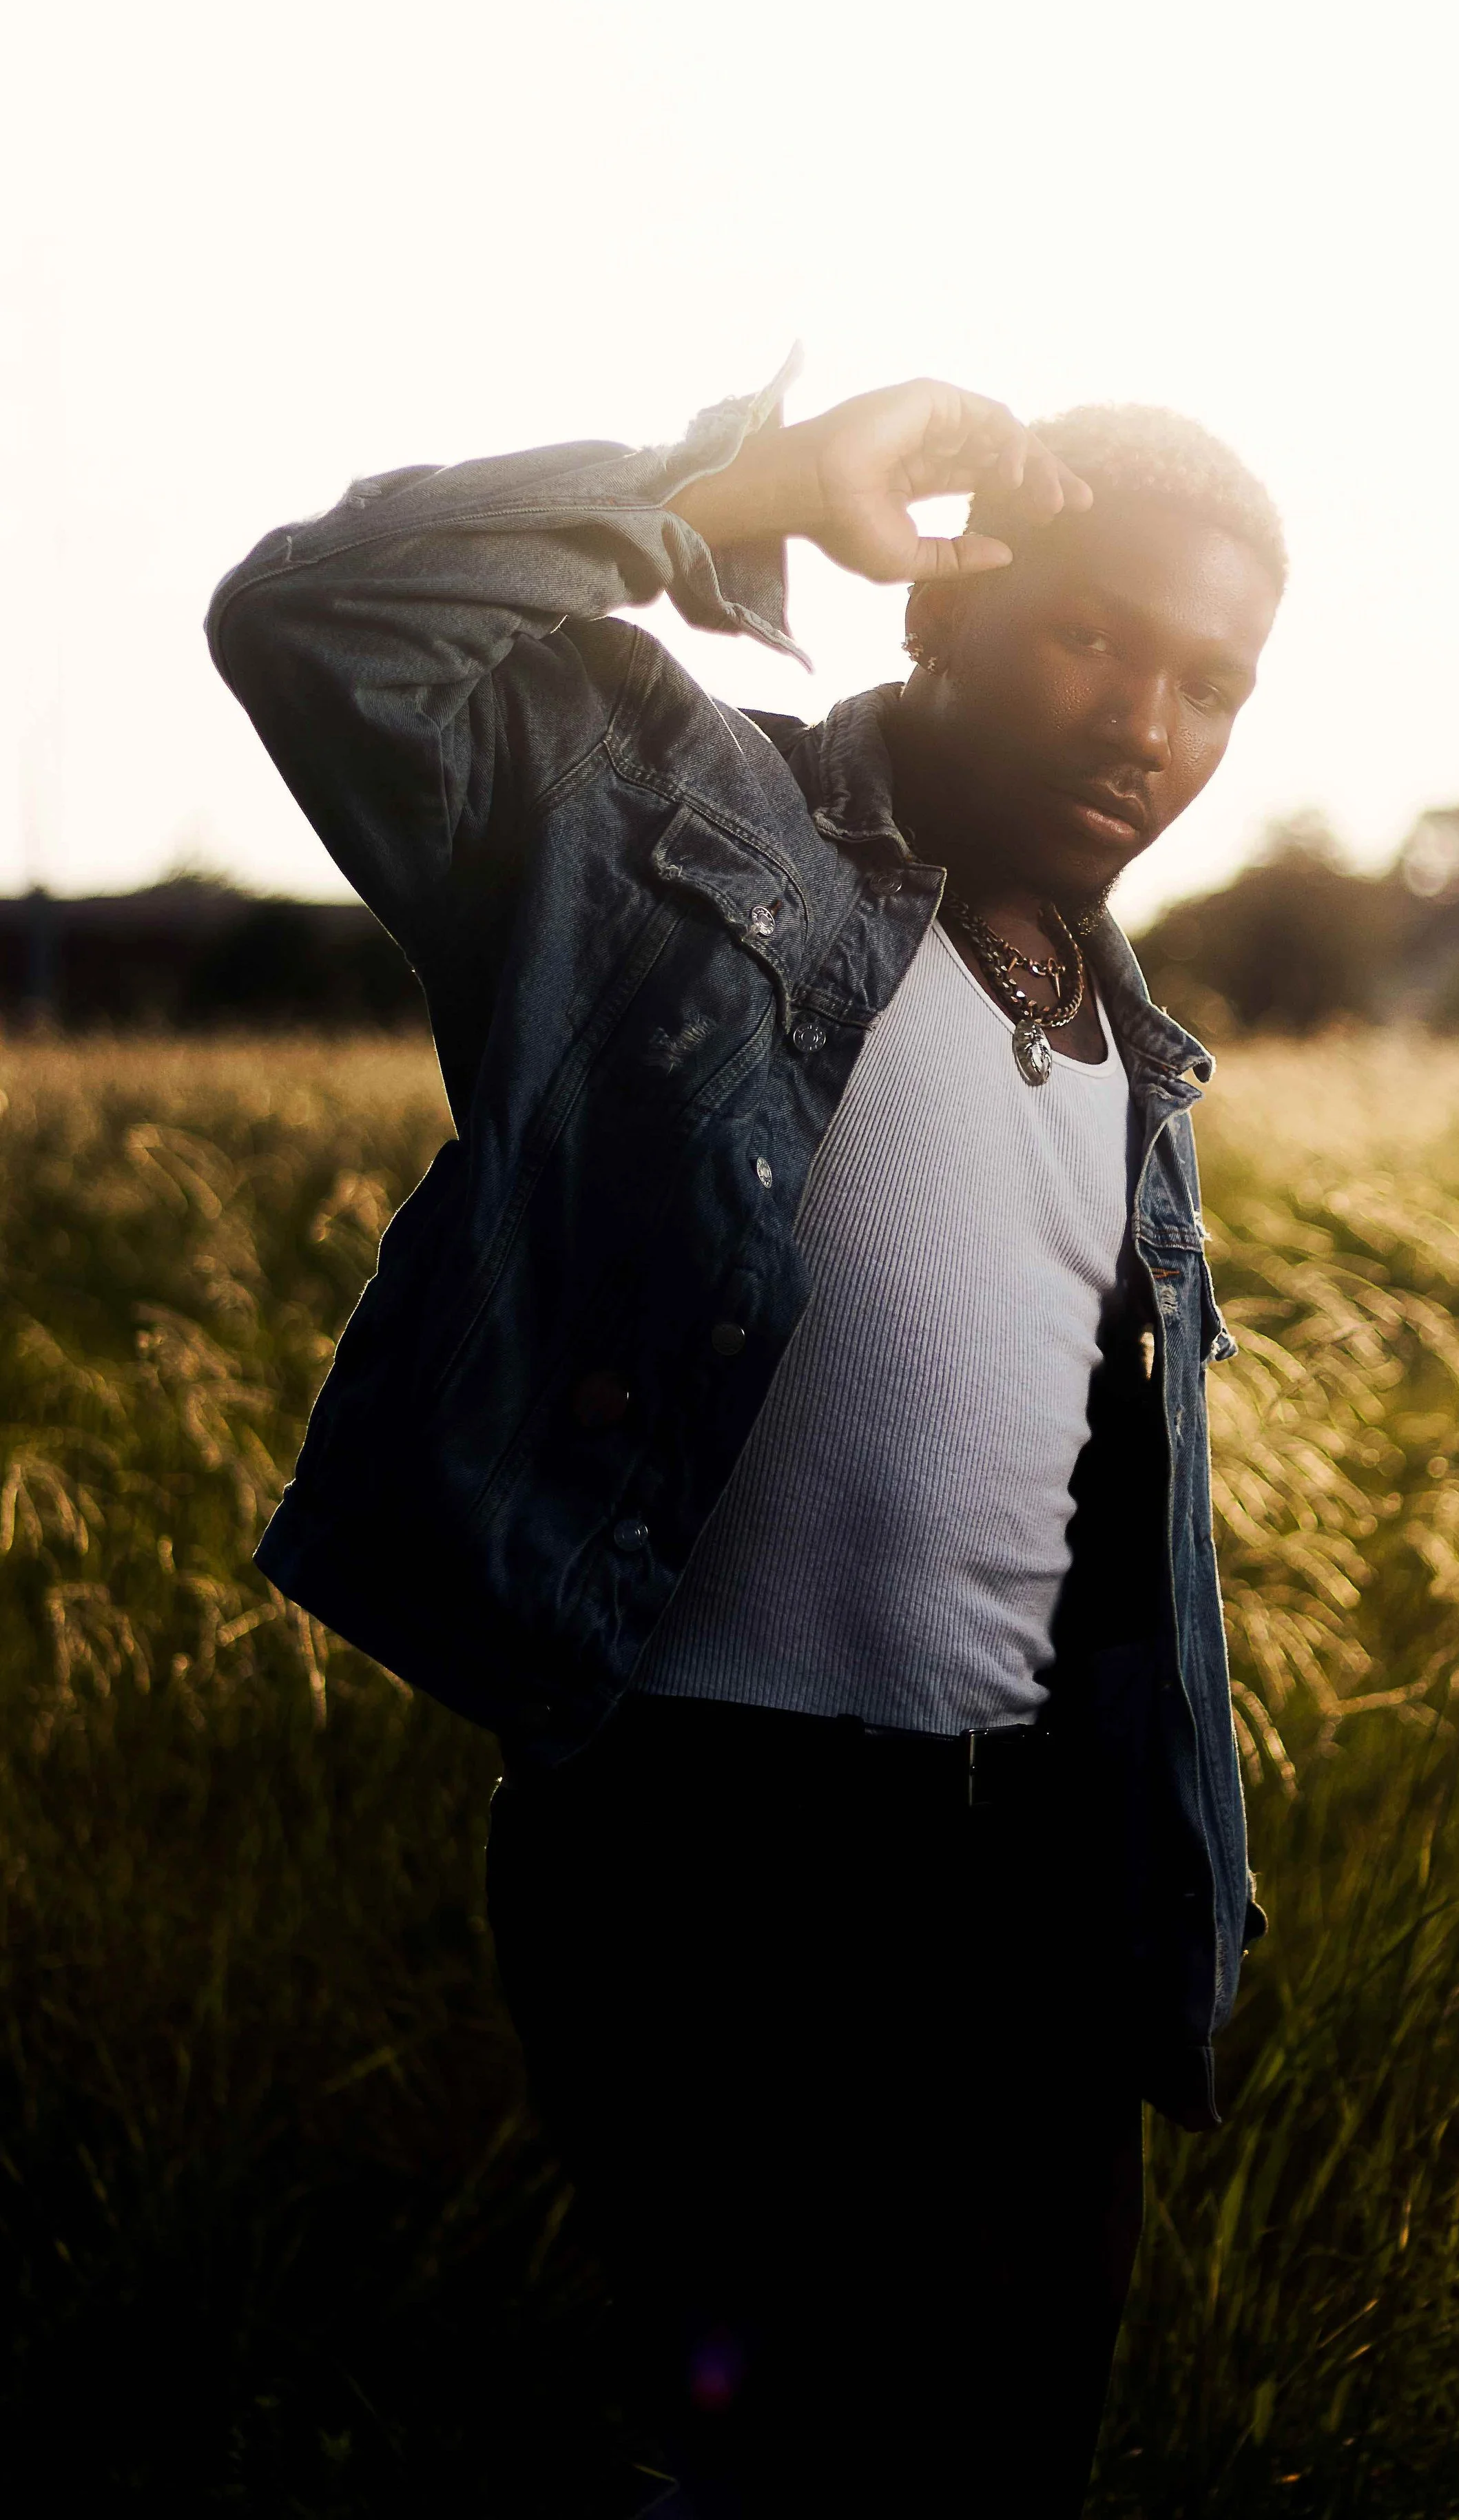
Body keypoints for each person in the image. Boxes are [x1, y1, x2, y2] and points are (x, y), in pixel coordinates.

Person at [207, 357, 1283, 2518]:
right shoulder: (670, 826)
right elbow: (318, 616)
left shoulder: (1132, 1050)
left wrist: (1157, 1881)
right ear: (943, 608)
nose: (1140, 723)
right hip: (708, 1845)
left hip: (1023, 1866)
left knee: (1009, 2446)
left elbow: (1089, 1524)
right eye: (1085, 635)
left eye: (1207, 681)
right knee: (785, 2449)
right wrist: (749, 483)